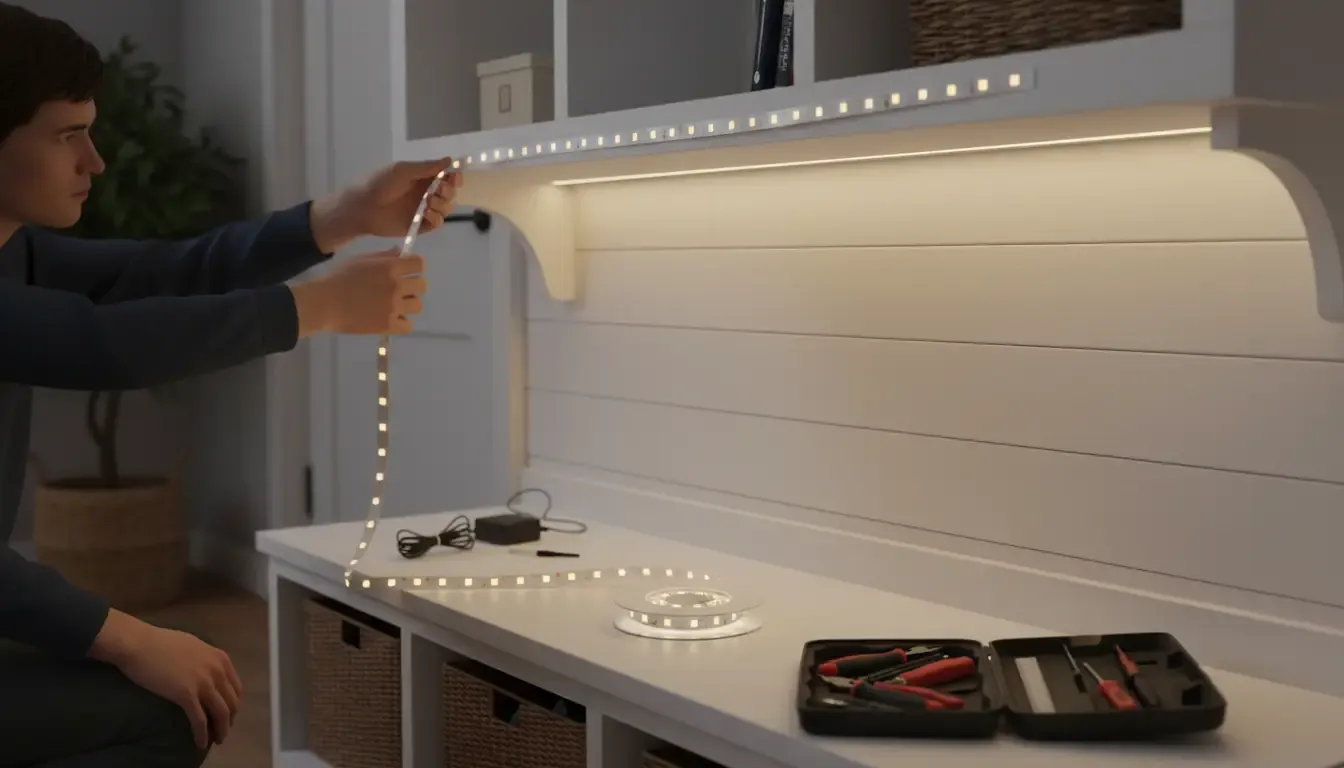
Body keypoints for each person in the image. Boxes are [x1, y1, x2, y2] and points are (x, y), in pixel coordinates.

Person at [0, 4, 463, 766]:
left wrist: (339, 217)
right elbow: (102, 346)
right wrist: (317, 307)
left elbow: (157, 273)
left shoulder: (14, 251)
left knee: (177, 692)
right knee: (170, 706)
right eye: (67, 135)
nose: (97, 161)